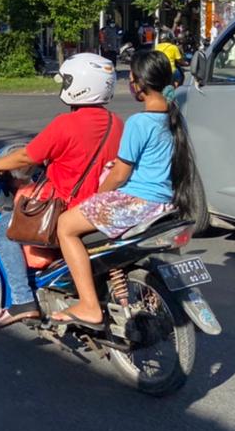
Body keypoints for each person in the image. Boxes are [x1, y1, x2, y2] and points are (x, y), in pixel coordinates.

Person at [53, 49, 203, 326]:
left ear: (139, 84)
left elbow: (120, 174)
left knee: (65, 225)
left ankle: (88, 304)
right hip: (164, 203)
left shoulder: (139, 122)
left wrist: (98, 197)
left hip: (136, 203)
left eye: (131, 78)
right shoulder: (173, 118)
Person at [0, 53, 123, 328]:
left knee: (5, 228)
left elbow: (25, 158)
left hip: (65, 211)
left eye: (66, 79)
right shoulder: (116, 123)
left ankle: (22, 301)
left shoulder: (66, 124)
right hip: (101, 210)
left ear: (79, 84)